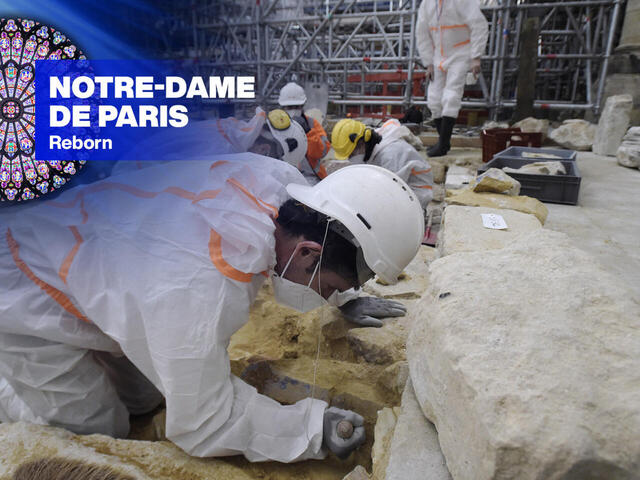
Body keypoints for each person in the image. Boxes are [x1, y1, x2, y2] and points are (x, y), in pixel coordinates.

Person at [0, 155, 424, 462]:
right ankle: (11, 397)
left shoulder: (283, 190)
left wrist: (344, 297)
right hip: (25, 290)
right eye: (329, 287)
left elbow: (333, 238)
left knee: (145, 399)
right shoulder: (197, 286)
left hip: (98, 261)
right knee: (97, 429)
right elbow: (204, 420)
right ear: (310, 254)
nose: (326, 297)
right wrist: (310, 430)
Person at [415, 0, 488, 157]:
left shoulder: (461, 2)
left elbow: (479, 25)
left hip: (461, 53)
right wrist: (428, 62)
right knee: (434, 100)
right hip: (438, 56)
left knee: (451, 96)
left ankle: (442, 144)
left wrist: (476, 56)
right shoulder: (427, 5)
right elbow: (422, 34)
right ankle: (444, 142)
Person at [331, 118, 434, 212]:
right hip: (397, 184)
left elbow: (389, 193)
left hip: (416, 193)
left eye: (351, 154)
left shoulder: (390, 156)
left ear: (362, 143)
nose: (351, 159)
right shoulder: (371, 145)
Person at [278, 82, 332, 184]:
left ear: (302, 106)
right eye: (289, 107)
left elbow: (322, 152)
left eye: (296, 106)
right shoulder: (275, 127)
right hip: (284, 176)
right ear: (282, 108)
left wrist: (307, 132)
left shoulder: (311, 124)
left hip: (311, 176)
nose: (293, 111)